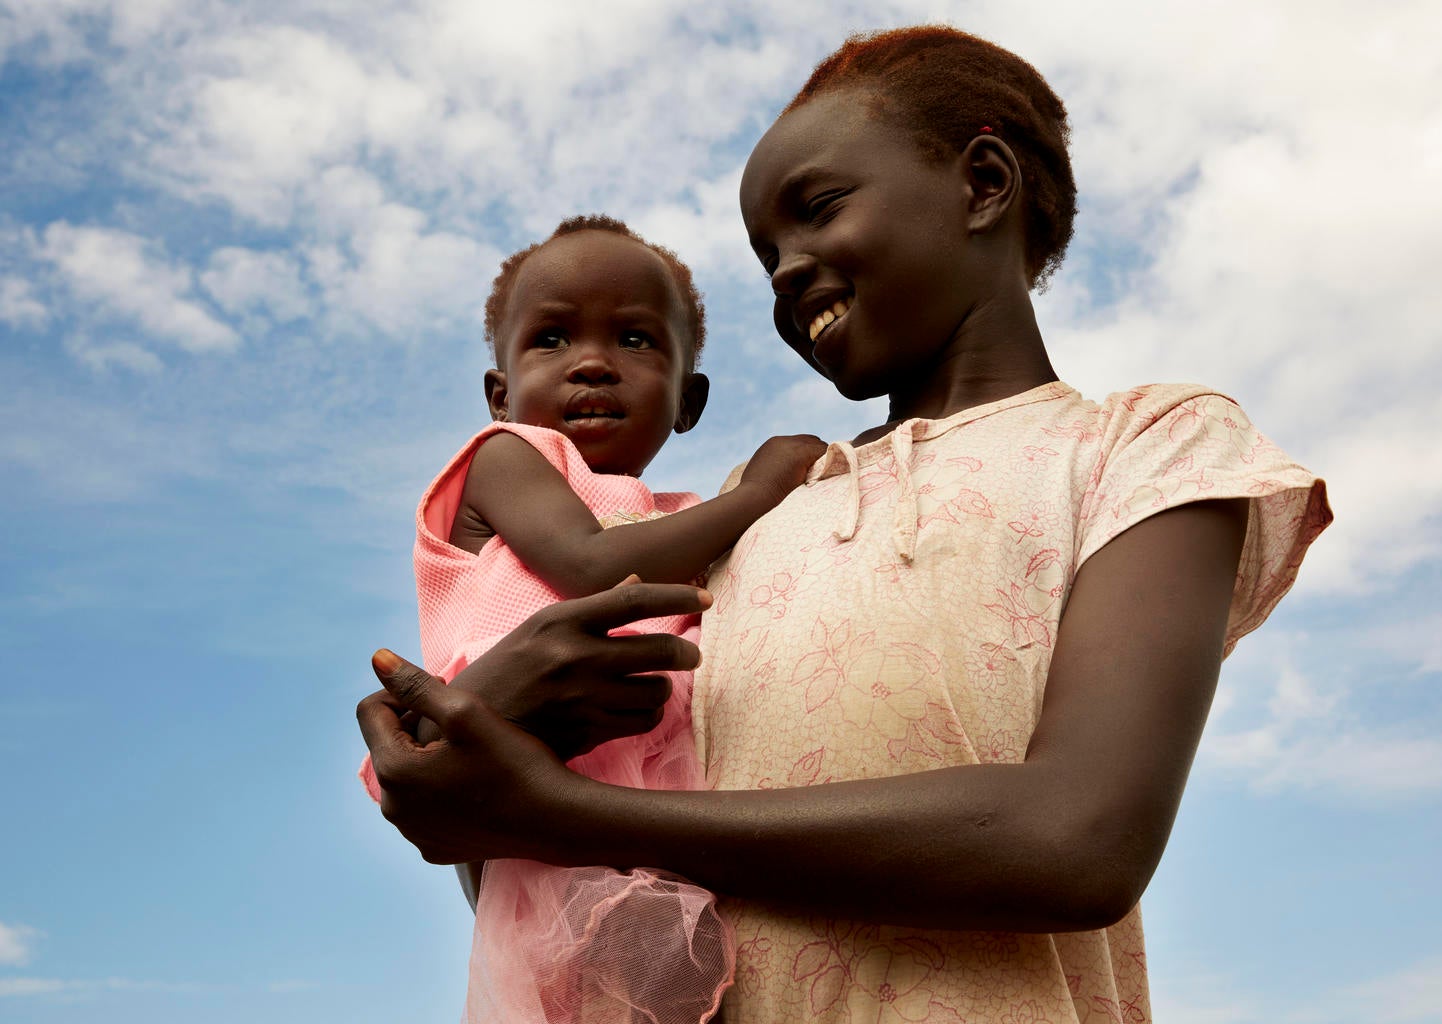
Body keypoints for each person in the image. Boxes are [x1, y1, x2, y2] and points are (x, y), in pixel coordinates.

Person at [358, 26, 1333, 1024]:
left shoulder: (1149, 445)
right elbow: (538, 855)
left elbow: (1077, 841)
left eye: (816, 212)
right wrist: (489, 724)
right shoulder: (751, 504)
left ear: (983, 183)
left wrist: (560, 814)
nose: (785, 270)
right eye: (766, 253)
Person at [359, 213, 826, 1024]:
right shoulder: (505, 460)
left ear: (689, 399)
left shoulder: (682, 521)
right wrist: (762, 492)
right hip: (542, 832)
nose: (593, 363)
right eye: (550, 339)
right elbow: (588, 568)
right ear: (499, 395)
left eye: (638, 341)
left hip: (662, 835)